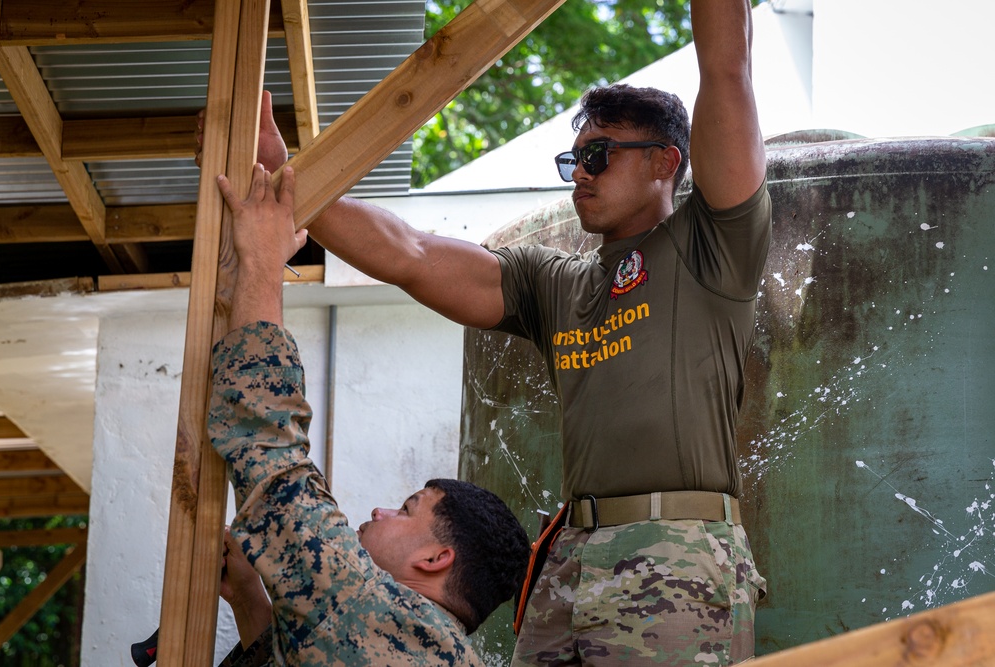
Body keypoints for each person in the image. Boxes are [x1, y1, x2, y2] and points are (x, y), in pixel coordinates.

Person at [206, 0, 771, 662]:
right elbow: (410, 253)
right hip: (571, 560)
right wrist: (290, 184)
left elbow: (727, 69)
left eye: (598, 153)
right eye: (574, 159)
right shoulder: (554, 283)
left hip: (677, 549)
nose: (581, 174)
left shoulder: (714, 245)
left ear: (663, 162)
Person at [208, 163, 531, 665]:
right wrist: (251, 596)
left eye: (406, 509)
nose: (380, 512)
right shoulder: (438, 650)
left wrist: (261, 259)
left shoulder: (376, 611)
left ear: (435, 559)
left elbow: (267, 443)